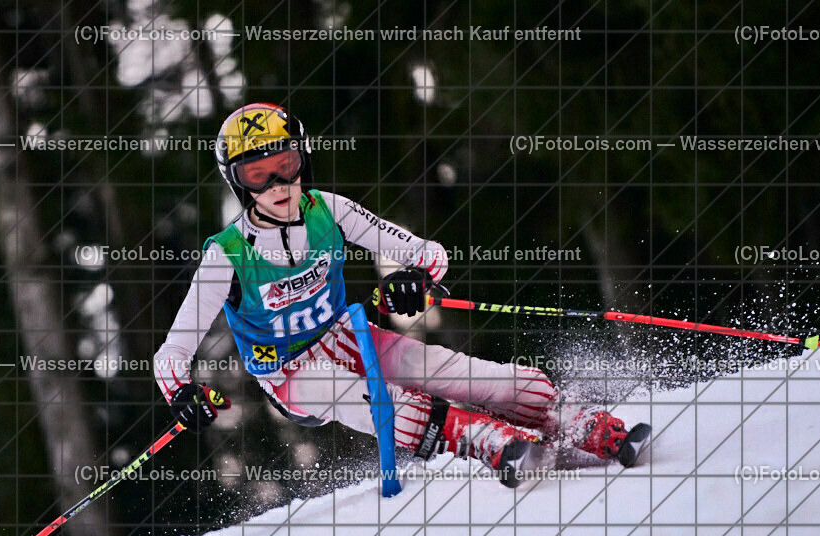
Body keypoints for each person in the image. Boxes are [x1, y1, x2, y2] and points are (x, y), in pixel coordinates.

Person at [154, 102, 636, 483]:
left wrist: (416, 279)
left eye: (286, 164)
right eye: (259, 175)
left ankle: (573, 422)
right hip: (288, 373)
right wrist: (181, 391)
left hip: (351, 337)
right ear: (238, 183)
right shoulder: (227, 254)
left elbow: (427, 253)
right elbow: (172, 351)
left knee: (461, 374)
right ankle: (488, 442)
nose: (279, 184)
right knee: (382, 403)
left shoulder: (330, 210)